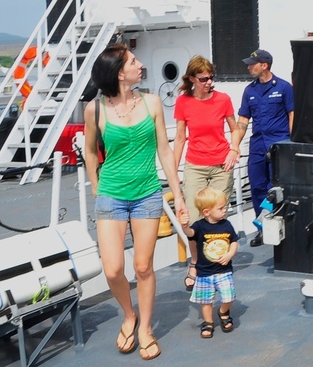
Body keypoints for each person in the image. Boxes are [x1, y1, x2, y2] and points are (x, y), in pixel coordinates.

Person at [83, 43, 185, 361]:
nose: (140, 65)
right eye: (133, 62)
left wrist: (178, 195)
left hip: (146, 194)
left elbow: (165, 152)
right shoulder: (95, 110)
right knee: (113, 270)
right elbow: (89, 151)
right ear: (118, 73)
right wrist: (97, 187)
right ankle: (129, 315)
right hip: (111, 195)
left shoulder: (152, 102)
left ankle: (145, 329)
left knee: (142, 266)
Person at [173, 55, 242, 292]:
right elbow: (181, 137)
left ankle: (217, 263)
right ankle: (195, 263)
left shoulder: (223, 99)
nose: (209, 82)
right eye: (203, 79)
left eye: (211, 78)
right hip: (195, 165)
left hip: (221, 165)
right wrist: (172, 168)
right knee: (193, 219)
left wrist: (234, 149)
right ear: (192, 78)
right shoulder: (183, 102)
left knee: (216, 218)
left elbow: (235, 129)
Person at [233, 49, 294, 246]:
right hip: (258, 146)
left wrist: (291, 143)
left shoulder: (283, 87)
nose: (249, 67)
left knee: (276, 187)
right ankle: (263, 228)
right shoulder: (249, 91)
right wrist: (235, 145)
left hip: (279, 144)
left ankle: (280, 227)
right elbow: (243, 120)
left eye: (253, 63)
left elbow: (292, 115)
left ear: (264, 65)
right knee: (258, 187)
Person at [180, 187, 239, 338]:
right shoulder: (200, 226)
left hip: (223, 270)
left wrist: (230, 254)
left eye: (224, 206)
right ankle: (208, 322)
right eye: (220, 208)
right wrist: (184, 227)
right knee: (205, 301)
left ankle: (223, 311)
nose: (225, 210)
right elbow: (191, 235)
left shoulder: (226, 225)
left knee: (229, 297)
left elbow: (234, 241)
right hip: (204, 272)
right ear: (206, 212)